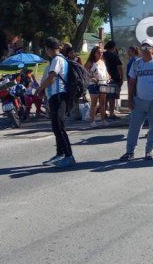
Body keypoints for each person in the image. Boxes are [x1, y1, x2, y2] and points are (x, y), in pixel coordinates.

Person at [122, 39, 153, 161]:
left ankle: (149, 151)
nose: (145, 50)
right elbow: (131, 82)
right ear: (140, 49)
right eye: (143, 47)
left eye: (148, 47)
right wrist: (130, 99)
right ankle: (130, 152)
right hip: (139, 101)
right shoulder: (136, 63)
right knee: (134, 127)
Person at [37, 37, 75, 167]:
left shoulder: (57, 59)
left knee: (59, 127)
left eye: (46, 48)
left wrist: (40, 88)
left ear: (48, 49)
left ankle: (69, 155)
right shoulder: (56, 59)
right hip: (55, 97)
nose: (45, 51)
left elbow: (52, 77)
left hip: (59, 96)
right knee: (56, 127)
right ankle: (60, 154)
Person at [84, 46, 110, 127]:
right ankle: (92, 121)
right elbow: (84, 72)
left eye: (101, 52)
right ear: (94, 53)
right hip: (94, 84)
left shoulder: (102, 62)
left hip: (103, 83)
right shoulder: (90, 62)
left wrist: (108, 76)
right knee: (94, 103)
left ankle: (103, 120)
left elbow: (105, 72)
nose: (100, 54)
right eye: (98, 52)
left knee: (103, 102)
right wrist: (91, 78)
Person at [103, 40, 124, 120]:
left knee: (105, 97)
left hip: (104, 79)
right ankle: (111, 114)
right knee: (112, 98)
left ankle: (103, 113)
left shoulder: (103, 55)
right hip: (114, 79)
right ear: (113, 47)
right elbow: (120, 67)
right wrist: (121, 78)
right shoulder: (114, 56)